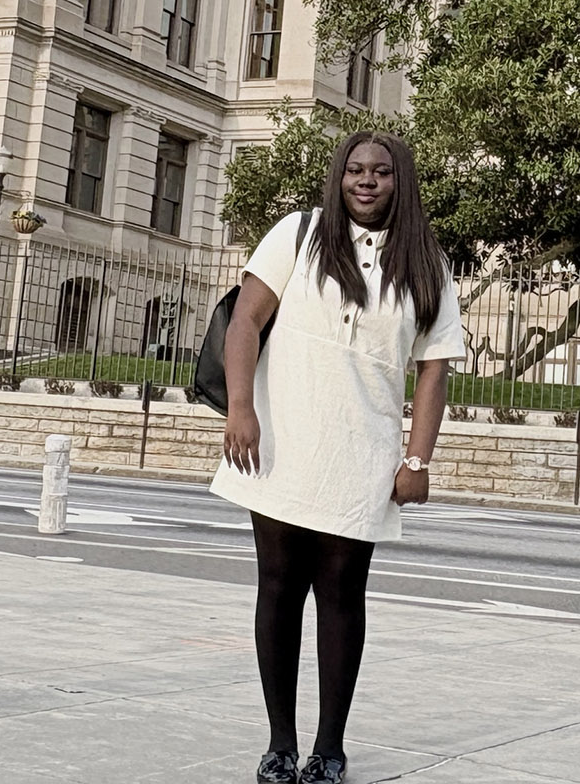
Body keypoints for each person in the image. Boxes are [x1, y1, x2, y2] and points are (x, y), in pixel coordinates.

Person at [211, 130, 462, 784]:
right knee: (277, 587)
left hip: (363, 453)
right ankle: (279, 744)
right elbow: (244, 320)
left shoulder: (426, 264)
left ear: (398, 181)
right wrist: (242, 407)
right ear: (340, 176)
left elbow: (433, 372)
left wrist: (419, 460)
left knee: (342, 597)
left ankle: (329, 748)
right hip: (280, 443)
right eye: (355, 169)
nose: (367, 181)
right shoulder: (298, 234)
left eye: (380, 171)